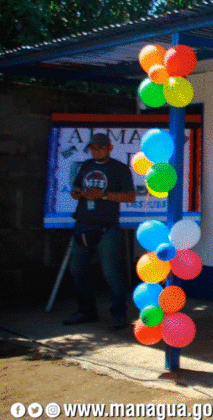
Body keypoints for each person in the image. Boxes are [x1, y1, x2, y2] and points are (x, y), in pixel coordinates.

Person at [63, 133, 135, 331]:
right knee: (77, 269)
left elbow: (130, 196)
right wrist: (76, 192)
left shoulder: (119, 169)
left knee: (111, 272)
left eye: (101, 148)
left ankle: (119, 314)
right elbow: (76, 186)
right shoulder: (86, 165)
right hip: (83, 224)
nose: (97, 151)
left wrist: (103, 195)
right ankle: (86, 311)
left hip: (107, 228)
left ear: (110, 148)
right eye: (93, 148)